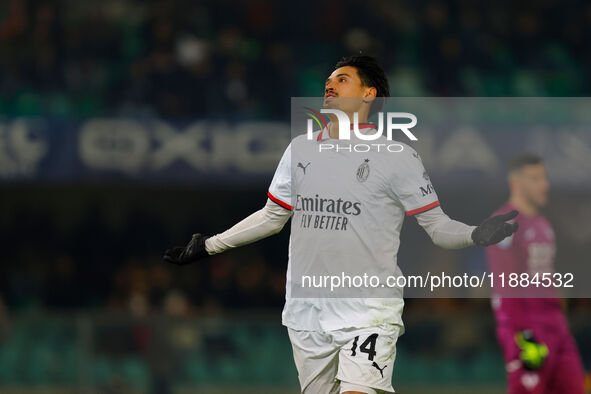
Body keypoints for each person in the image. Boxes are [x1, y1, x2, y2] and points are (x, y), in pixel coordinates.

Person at [164, 55, 518, 394]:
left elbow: (438, 227)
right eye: (329, 80)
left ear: (368, 94)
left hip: (369, 309)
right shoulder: (300, 149)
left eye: (342, 79)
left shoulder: (398, 158)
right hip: (307, 310)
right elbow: (272, 216)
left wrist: (475, 233)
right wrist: (209, 245)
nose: (330, 85)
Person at [485, 153, 585, 394]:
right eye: (535, 178)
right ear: (515, 183)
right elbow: (505, 286)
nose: (544, 184)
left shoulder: (543, 224)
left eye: (544, 178)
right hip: (526, 329)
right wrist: (524, 335)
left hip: (556, 326)